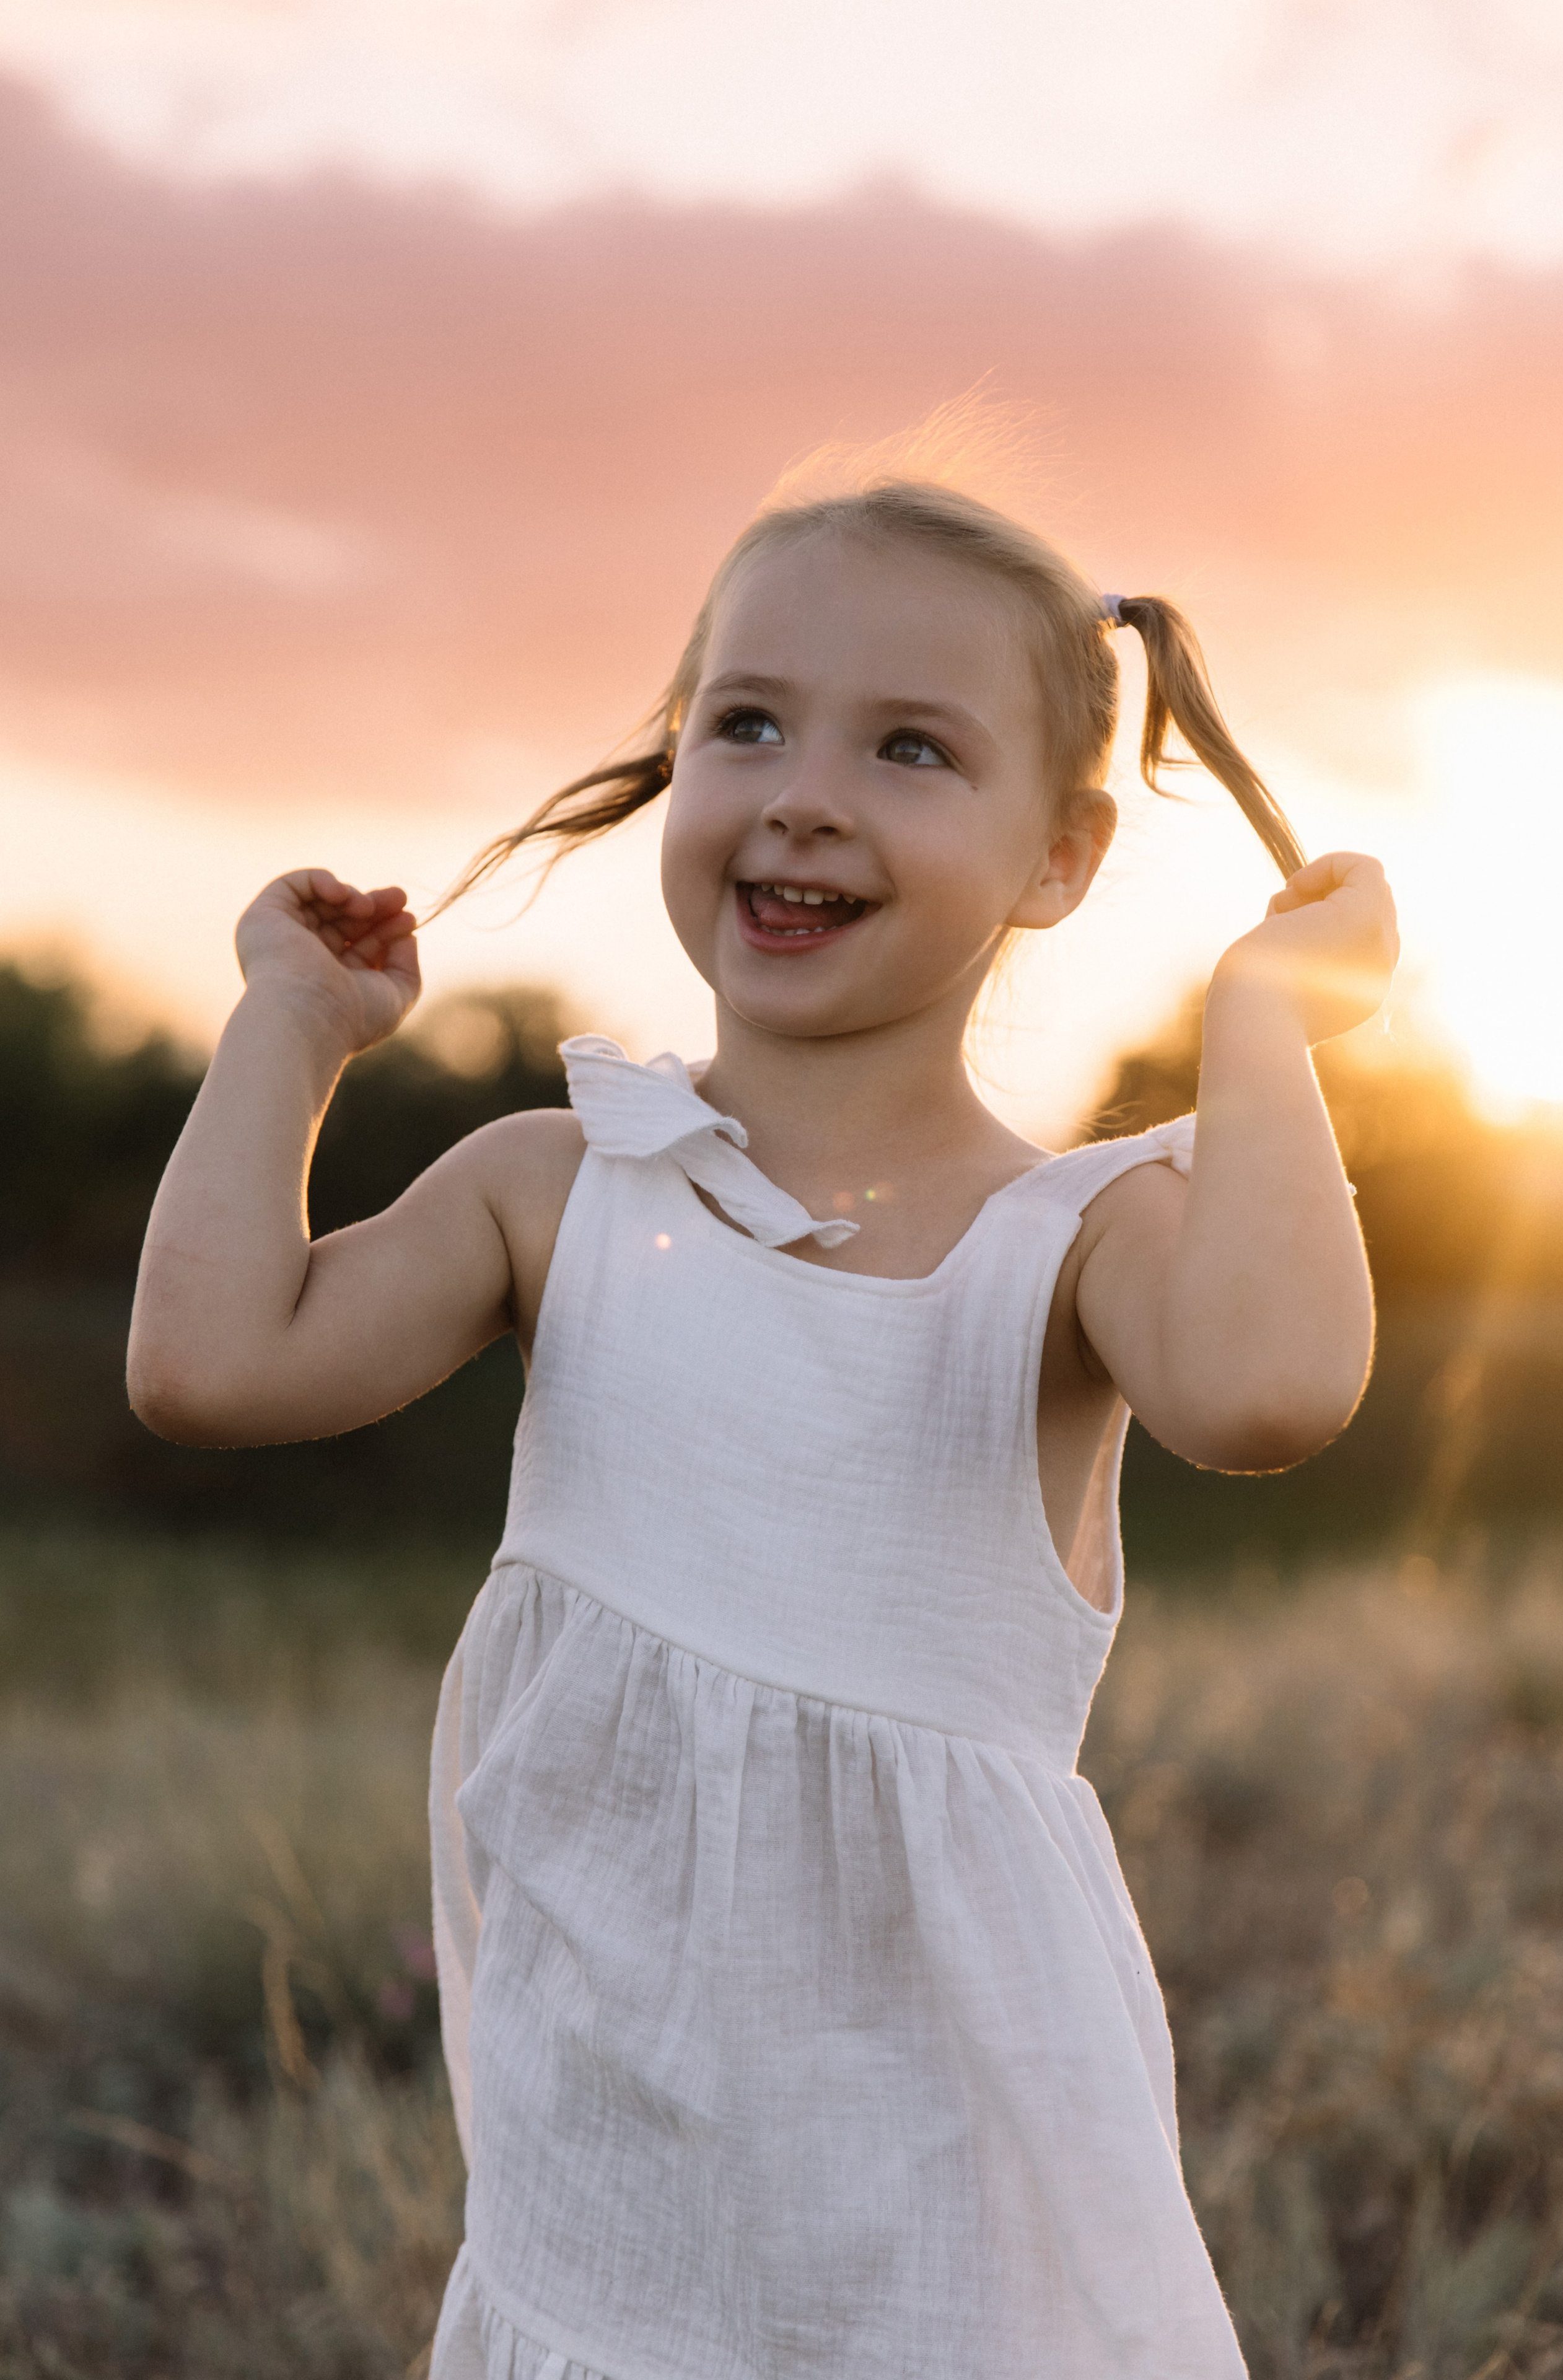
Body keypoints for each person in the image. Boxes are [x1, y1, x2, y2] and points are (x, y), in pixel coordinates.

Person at [128, 461, 1398, 2379]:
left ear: (1057, 858)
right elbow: (211, 1363)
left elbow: (1276, 1385)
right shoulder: (558, 1185)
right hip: (613, 2190)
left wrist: (1268, 1022)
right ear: (675, 764)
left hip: (952, 2226)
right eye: (747, 723)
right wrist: (287, 1030)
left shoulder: (1062, 1244)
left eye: (908, 746)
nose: (804, 790)